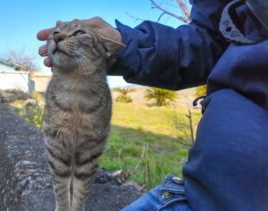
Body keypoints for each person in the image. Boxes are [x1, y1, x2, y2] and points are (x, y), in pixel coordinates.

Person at [37, 0, 268, 210]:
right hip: (199, 193)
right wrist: (127, 44)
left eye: (75, 33)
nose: (58, 37)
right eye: (57, 34)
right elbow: (209, 42)